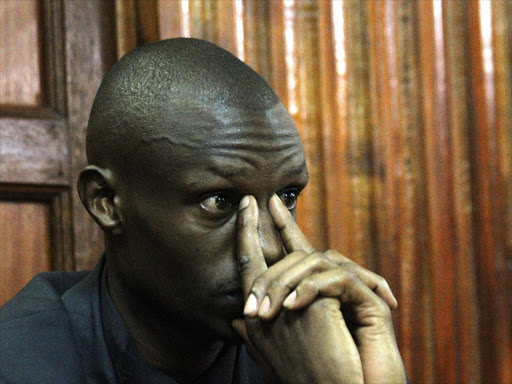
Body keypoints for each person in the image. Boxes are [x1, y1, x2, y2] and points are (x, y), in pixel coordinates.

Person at [0, 38, 407, 384]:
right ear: (106, 202)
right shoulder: (21, 361)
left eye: (286, 196)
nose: (269, 249)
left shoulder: (315, 348)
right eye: (219, 202)